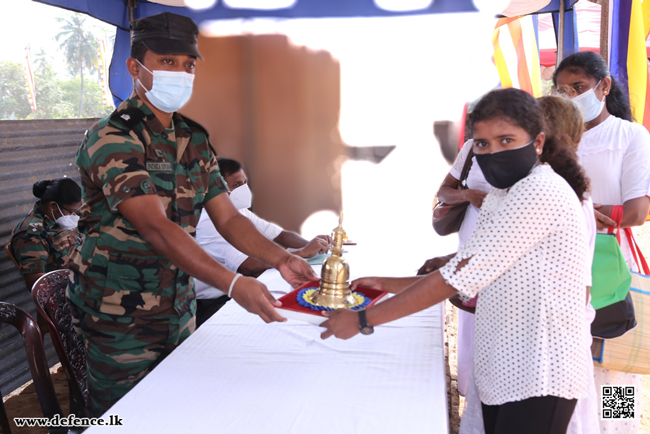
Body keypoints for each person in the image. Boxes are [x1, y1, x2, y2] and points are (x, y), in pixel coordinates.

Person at [67, 12, 318, 416]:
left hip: (179, 305)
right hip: (119, 315)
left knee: (180, 410)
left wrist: (283, 259)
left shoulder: (193, 137)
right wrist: (234, 284)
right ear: (135, 67)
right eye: (167, 62)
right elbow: (156, 228)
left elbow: (231, 218)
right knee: (126, 418)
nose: (181, 73)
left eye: (188, 65)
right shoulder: (114, 136)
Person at [322, 88, 592, 434]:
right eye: (482, 144)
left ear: (538, 141)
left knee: (618, 400)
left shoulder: (540, 190)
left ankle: (625, 424)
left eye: (506, 140)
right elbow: (464, 265)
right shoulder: (508, 192)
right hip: (513, 360)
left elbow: (457, 278)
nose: (493, 153)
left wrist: (364, 319)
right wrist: (387, 284)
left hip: (550, 360)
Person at [554, 50, 650, 434]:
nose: (571, 96)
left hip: (611, 259)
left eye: (578, 87)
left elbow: (638, 210)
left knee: (613, 368)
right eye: (562, 91)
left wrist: (584, 210)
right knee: (571, 365)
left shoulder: (631, 135)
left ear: (604, 86)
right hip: (563, 261)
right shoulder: (555, 141)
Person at [194, 157, 332, 326]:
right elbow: (247, 264)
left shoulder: (239, 211)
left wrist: (313, 245)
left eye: (245, 183)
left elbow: (280, 235)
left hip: (232, 291)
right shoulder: (208, 219)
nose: (243, 189)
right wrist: (302, 252)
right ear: (219, 188)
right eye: (237, 185)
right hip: (211, 303)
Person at [9, 178, 82, 289]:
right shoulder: (32, 235)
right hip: (67, 292)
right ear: (52, 206)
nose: (74, 215)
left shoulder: (59, 218)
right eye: (71, 211)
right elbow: (38, 286)